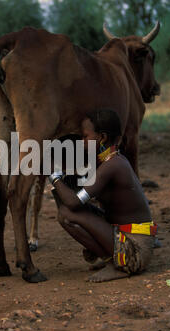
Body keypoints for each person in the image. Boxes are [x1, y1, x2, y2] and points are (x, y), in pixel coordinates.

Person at [49, 109, 157, 282]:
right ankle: (112, 259)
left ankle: (118, 265)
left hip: (136, 252)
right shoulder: (108, 161)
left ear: (102, 138)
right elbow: (70, 196)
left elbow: (73, 203)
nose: (82, 142)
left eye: (85, 137)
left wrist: (53, 175)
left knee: (67, 214)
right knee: (68, 212)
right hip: (128, 239)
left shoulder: (112, 165)